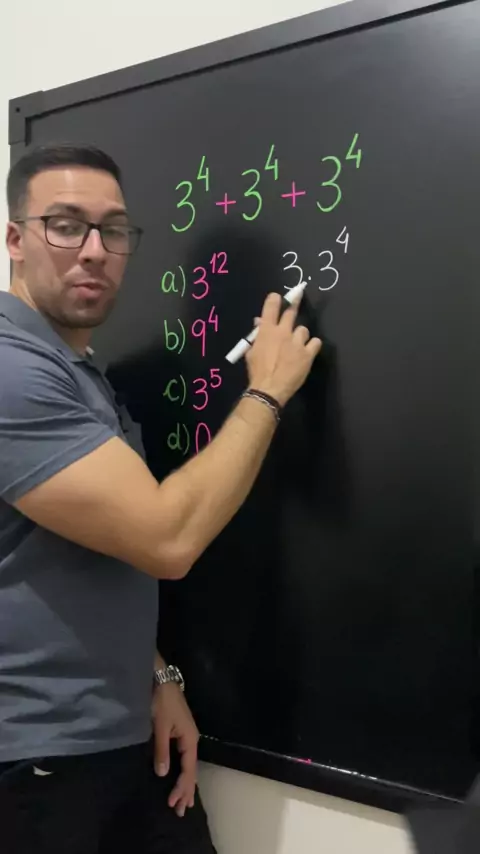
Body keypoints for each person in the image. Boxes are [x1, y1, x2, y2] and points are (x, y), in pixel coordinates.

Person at [0, 142, 322, 854]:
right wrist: (268, 390)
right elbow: (166, 540)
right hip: (37, 765)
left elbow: (92, 551)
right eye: (65, 225)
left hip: (123, 737)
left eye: (113, 229)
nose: (94, 250)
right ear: (15, 240)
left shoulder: (77, 370)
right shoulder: (12, 373)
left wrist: (157, 676)